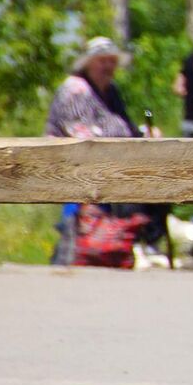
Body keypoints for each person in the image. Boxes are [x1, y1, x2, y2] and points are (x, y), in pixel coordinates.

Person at [47, 37, 164, 259]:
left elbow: (123, 125)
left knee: (161, 175)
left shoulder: (111, 90)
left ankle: (144, 242)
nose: (108, 67)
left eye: (112, 61)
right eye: (102, 61)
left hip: (113, 158)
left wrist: (144, 134)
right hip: (78, 161)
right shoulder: (75, 89)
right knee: (132, 180)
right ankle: (130, 242)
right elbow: (80, 133)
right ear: (88, 63)